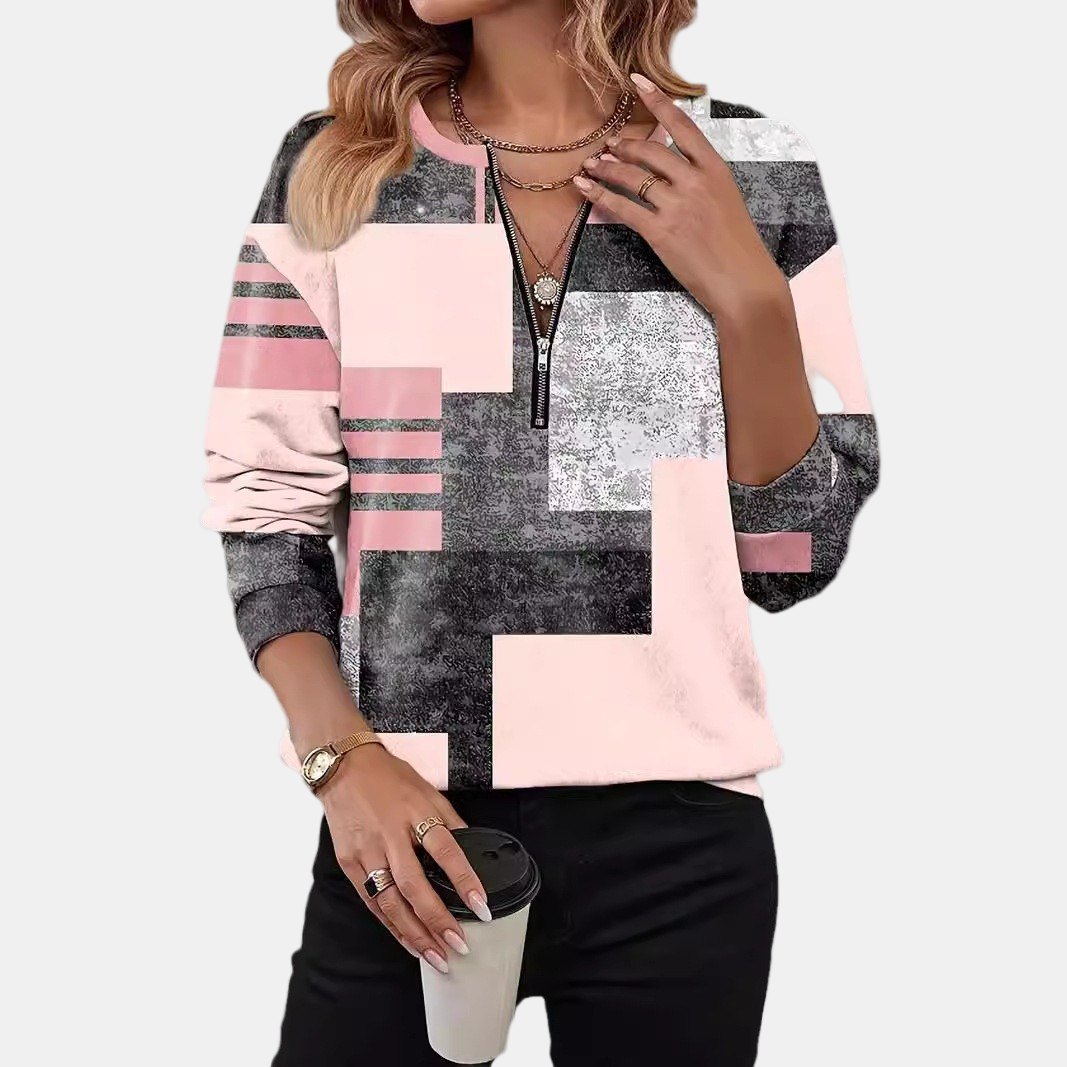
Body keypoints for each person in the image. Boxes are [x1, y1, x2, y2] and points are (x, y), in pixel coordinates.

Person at [202, 1, 879, 1063]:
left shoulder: (751, 168)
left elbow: (790, 560)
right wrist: (341, 762)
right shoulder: (337, 170)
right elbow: (265, 514)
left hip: (681, 850)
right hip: (407, 828)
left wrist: (750, 300)